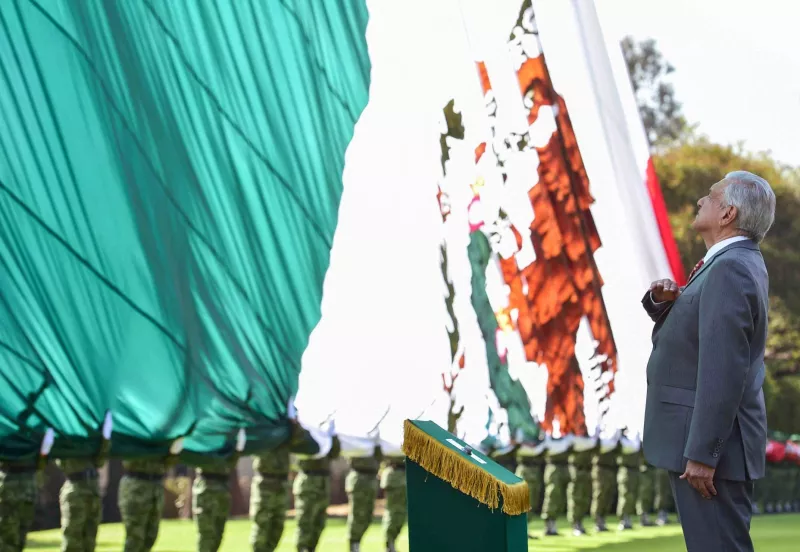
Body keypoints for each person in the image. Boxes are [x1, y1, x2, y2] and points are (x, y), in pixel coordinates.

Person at [642, 171, 775, 551]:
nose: (701, 200)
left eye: (710, 196)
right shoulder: (732, 263)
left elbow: (723, 369)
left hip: (708, 454)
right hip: (709, 447)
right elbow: (703, 342)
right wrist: (665, 305)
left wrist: (703, 454)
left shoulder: (730, 267)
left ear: (728, 213)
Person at [540, 434, 572, 536]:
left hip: (563, 467)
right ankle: (549, 524)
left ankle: (552, 524)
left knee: (559, 497)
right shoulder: (548, 434)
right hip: (553, 468)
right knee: (552, 495)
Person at [591, 429, 620, 532]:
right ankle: (598, 520)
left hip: (610, 468)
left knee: (608, 494)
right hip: (600, 468)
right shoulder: (598, 435)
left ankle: (602, 519)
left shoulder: (614, 436)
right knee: (600, 494)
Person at [379, 455, 407, 552]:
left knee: (401, 514)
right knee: (394, 513)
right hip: (395, 476)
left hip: (405, 475)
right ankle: (389, 545)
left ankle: (391, 544)